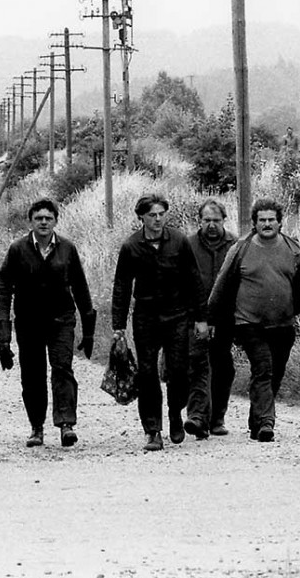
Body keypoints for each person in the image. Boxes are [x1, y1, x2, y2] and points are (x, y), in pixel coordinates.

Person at [209, 198, 300, 443]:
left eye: (271, 220)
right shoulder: (241, 249)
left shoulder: (293, 249)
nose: (267, 224)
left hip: (283, 323)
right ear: (254, 223)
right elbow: (222, 284)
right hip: (249, 323)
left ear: (280, 222)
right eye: (262, 220)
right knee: (263, 369)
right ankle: (267, 423)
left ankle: (256, 420)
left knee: (275, 373)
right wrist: (210, 318)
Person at [0, 198, 96, 449]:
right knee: (32, 375)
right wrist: (4, 338)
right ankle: (36, 427)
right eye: (38, 218)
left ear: (55, 222)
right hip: (29, 323)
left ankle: (66, 424)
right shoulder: (18, 250)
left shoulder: (67, 249)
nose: (43, 222)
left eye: (48, 218)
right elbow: (3, 290)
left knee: (62, 368)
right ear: (31, 221)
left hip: (61, 320)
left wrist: (89, 331)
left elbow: (81, 289)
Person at [111, 193, 208, 452]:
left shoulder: (178, 241)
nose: (157, 219)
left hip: (177, 314)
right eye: (151, 215)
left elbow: (194, 279)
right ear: (141, 217)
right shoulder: (131, 246)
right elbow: (121, 287)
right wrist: (118, 327)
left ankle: (175, 412)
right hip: (146, 317)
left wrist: (201, 318)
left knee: (178, 370)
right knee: (147, 373)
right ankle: (152, 430)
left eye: (161, 214)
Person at [183, 199, 239, 440]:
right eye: (207, 220)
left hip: (226, 318)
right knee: (198, 362)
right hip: (197, 318)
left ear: (224, 221)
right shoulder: (188, 245)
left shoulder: (235, 245)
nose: (212, 225)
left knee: (223, 366)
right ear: (200, 221)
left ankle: (217, 417)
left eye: (216, 220)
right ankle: (197, 418)